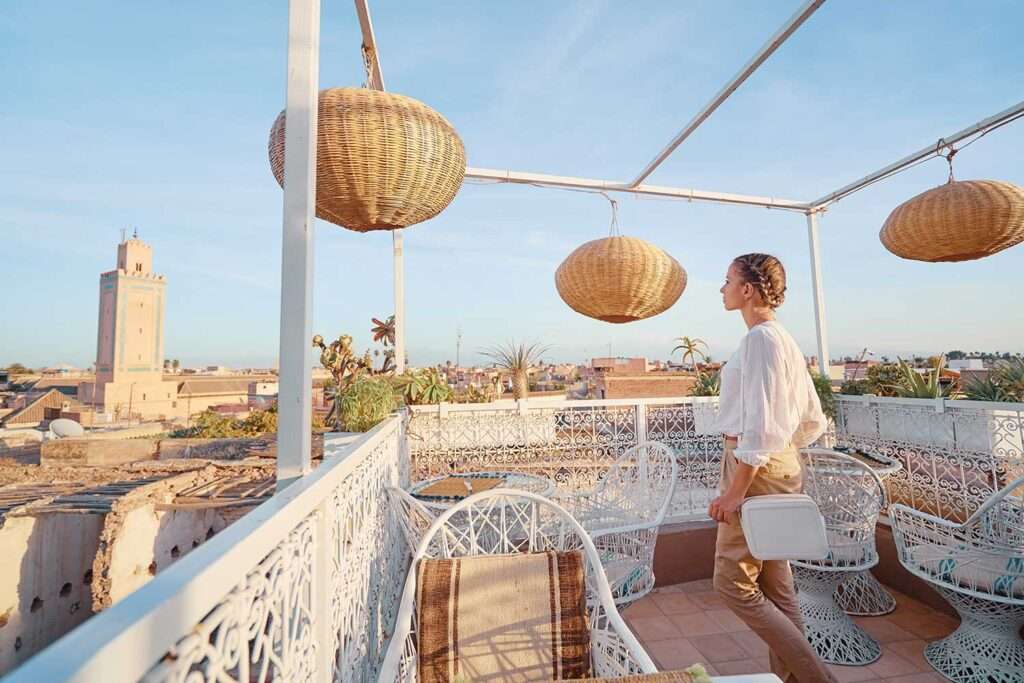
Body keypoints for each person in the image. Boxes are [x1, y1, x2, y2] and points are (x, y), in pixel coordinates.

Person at [708, 253, 836, 683]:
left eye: (727, 281)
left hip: (754, 468)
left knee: (733, 585)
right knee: (778, 587)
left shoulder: (761, 340)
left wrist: (737, 489)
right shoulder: (783, 338)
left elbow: (760, 426)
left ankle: (817, 678)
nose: (722, 289)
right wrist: (780, 454)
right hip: (773, 463)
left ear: (747, 289)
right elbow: (812, 418)